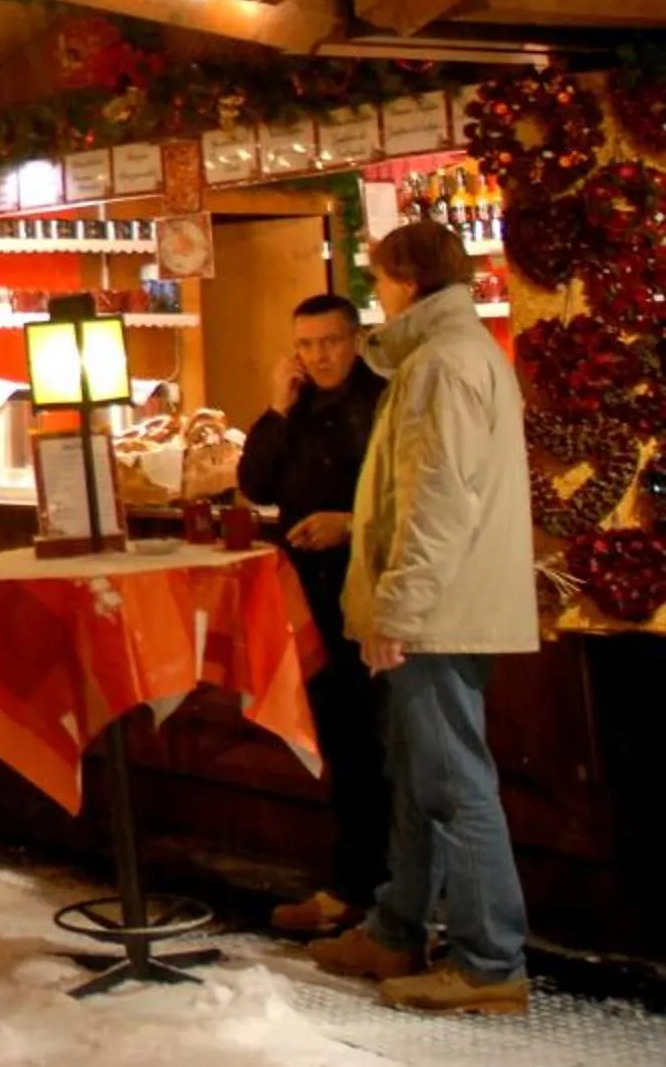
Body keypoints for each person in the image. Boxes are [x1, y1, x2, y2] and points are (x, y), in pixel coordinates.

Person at [311, 222, 537, 1018]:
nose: (377, 293)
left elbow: (436, 499)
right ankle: (397, 928)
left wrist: (398, 609)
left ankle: (489, 962)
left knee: (452, 783)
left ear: (407, 278)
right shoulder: (447, 356)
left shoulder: (443, 364)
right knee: (417, 775)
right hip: (443, 604)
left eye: (380, 277)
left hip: (441, 611)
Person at [239, 292, 389, 939]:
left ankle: (379, 892)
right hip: (309, 599)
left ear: (356, 340)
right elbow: (255, 484)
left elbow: (408, 494)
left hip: (373, 595)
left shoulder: (382, 401)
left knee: (377, 747)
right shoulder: (295, 408)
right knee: (342, 742)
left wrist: (349, 524)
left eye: (330, 341)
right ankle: (355, 887)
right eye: (306, 344)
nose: (319, 356)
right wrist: (276, 407)